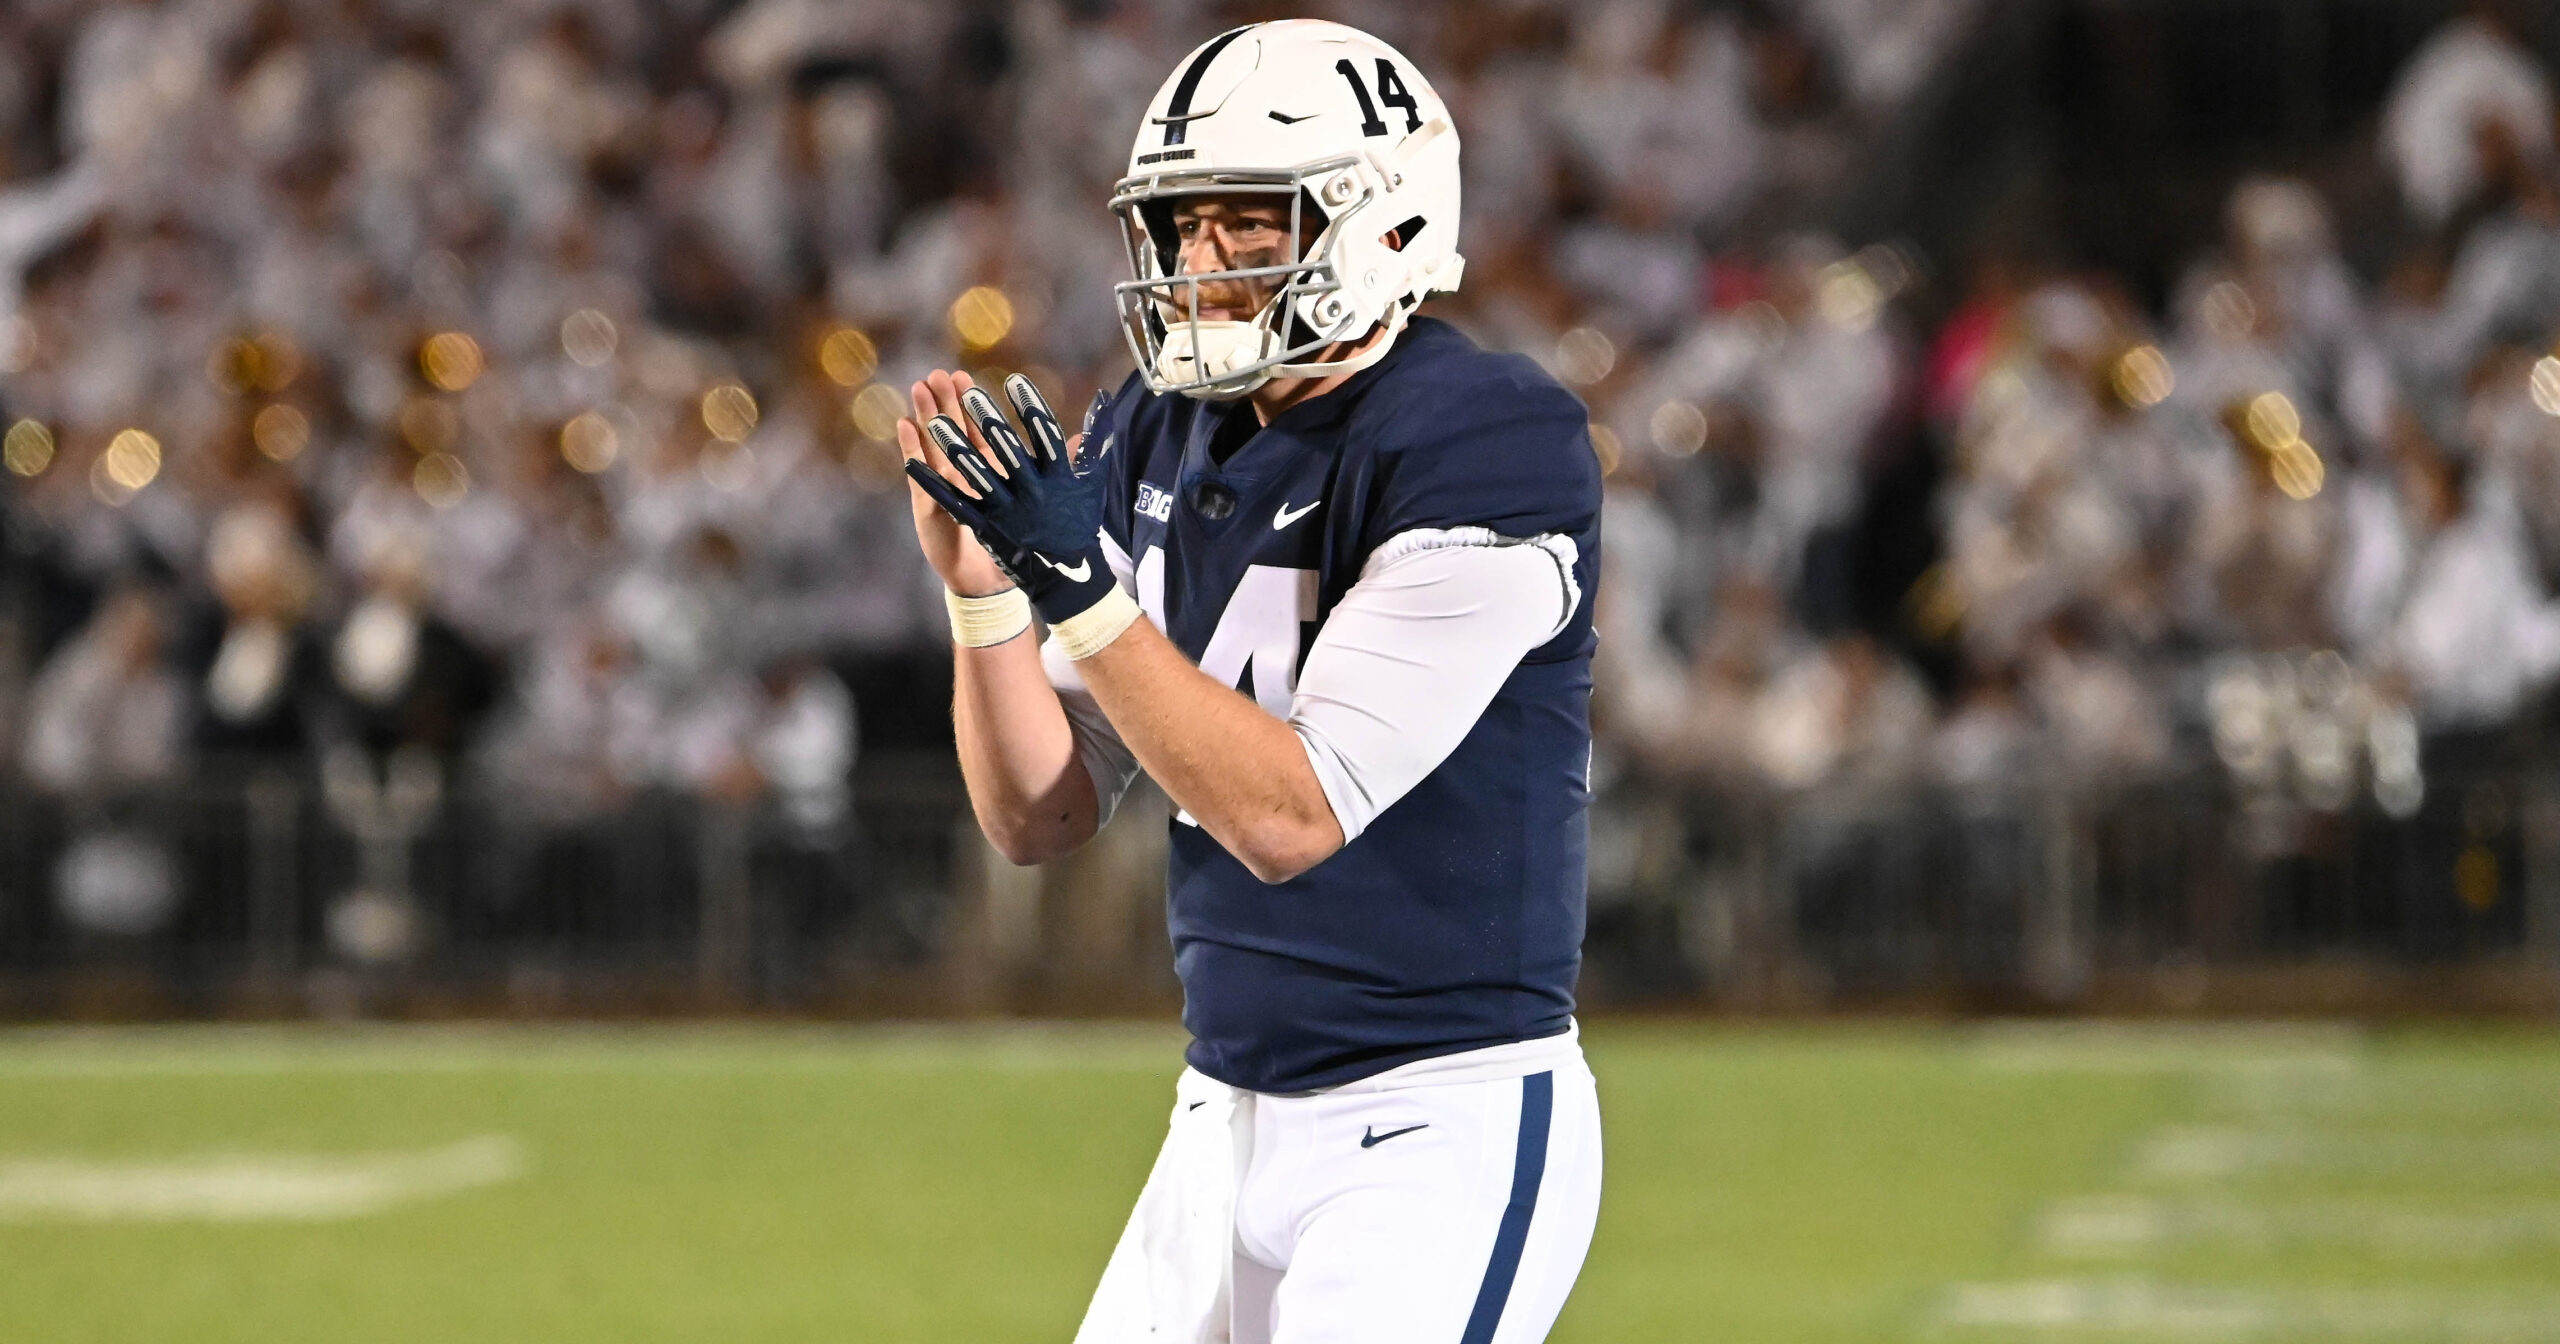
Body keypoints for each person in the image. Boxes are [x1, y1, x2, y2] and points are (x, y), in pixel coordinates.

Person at [894, 20, 1603, 1344]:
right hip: (1221, 1113)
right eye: (1182, 227)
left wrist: (1082, 593)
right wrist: (985, 594)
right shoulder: (1158, 425)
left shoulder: (1484, 438)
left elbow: (1290, 815)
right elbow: (1039, 816)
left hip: (1432, 1119)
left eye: (1243, 222)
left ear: (1380, 224)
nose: (1199, 265)